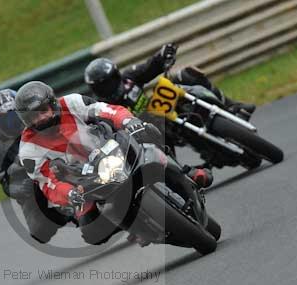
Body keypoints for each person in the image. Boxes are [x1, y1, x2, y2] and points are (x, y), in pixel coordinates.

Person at [15, 81, 212, 246]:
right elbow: (48, 184)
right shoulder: (28, 150)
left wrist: (128, 121)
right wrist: (69, 194)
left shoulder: (72, 102)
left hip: (111, 148)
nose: (41, 118)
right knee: (92, 232)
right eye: (34, 116)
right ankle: (138, 228)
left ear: (53, 104)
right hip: (84, 179)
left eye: (43, 111)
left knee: (148, 141)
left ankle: (187, 173)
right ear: (26, 121)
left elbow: (106, 110)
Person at [0, 89, 69, 243]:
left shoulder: (35, 116)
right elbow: (5, 182)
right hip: (25, 175)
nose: (13, 123)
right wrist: (23, 187)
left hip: (55, 155)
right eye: (7, 120)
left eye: (16, 116)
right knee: (40, 232)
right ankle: (59, 212)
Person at [84, 43, 256, 120]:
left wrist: (163, 54)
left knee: (186, 75)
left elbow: (150, 67)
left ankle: (232, 106)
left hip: (159, 108)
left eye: (111, 80)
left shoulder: (129, 77)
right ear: (96, 90)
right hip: (147, 134)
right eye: (103, 86)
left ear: (117, 74)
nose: (110, 87)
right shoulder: (101, 109)